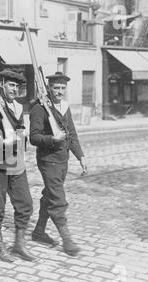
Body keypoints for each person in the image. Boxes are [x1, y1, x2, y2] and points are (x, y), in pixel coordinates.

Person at [29, 71, 87, 256]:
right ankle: (67, 240)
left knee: (50, 195)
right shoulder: (40, 108)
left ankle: (38, 231)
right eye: (56, 88)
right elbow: (34, 137)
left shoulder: (64, 107)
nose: (59, 91)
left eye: (63, 88)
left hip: (63, 160)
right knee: (58, 199)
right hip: (48, 160)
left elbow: (72, 134)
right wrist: (52, 138)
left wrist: (81, 156)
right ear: (49, 88)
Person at [0, 69, 35, 263]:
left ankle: (19, 244)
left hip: (17, 164)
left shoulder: (18, 107)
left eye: (17, 86)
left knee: (25, 204)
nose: (14, 89)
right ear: (1, 84)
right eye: (10, 85)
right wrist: (2, 140)